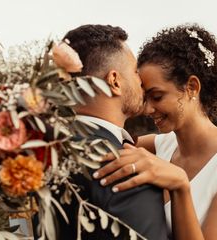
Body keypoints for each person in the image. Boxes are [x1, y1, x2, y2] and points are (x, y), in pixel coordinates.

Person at [93, 24, 217, 240]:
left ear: (192, 87)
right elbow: (101, 138)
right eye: (145, 97)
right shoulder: (156, 146)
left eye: (157, 96)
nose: (147, 109)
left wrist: (180, 187)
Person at [53, 24, 168, 240]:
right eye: (135, 71)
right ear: (114, 81)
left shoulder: (34, 151)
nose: (141, 81)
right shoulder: (126, 173)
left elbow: (18, 225)